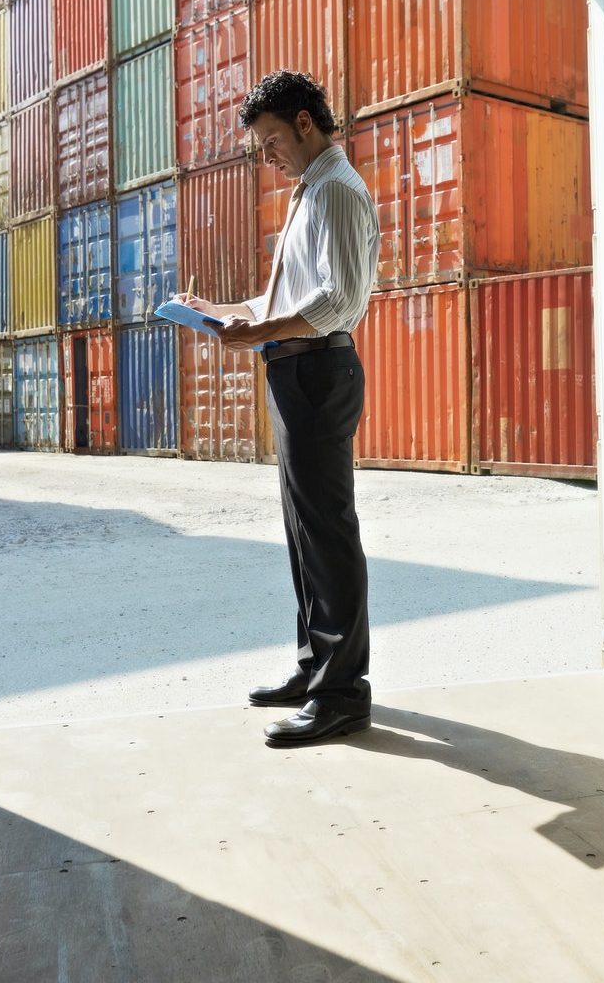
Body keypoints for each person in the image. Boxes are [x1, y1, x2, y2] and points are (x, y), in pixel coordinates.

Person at [173, 69, 380, 747]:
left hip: (320, 373)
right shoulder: (308, 193)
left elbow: (337, 302)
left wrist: (257, 333)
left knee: (327, 536)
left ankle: (343, 693)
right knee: (302, 535)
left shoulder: (338, 193)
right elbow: (287, 302)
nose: (268, 159)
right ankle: (315, 670)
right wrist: (224, 313)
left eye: (270, 143)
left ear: (304, 122)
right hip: (296, 374)